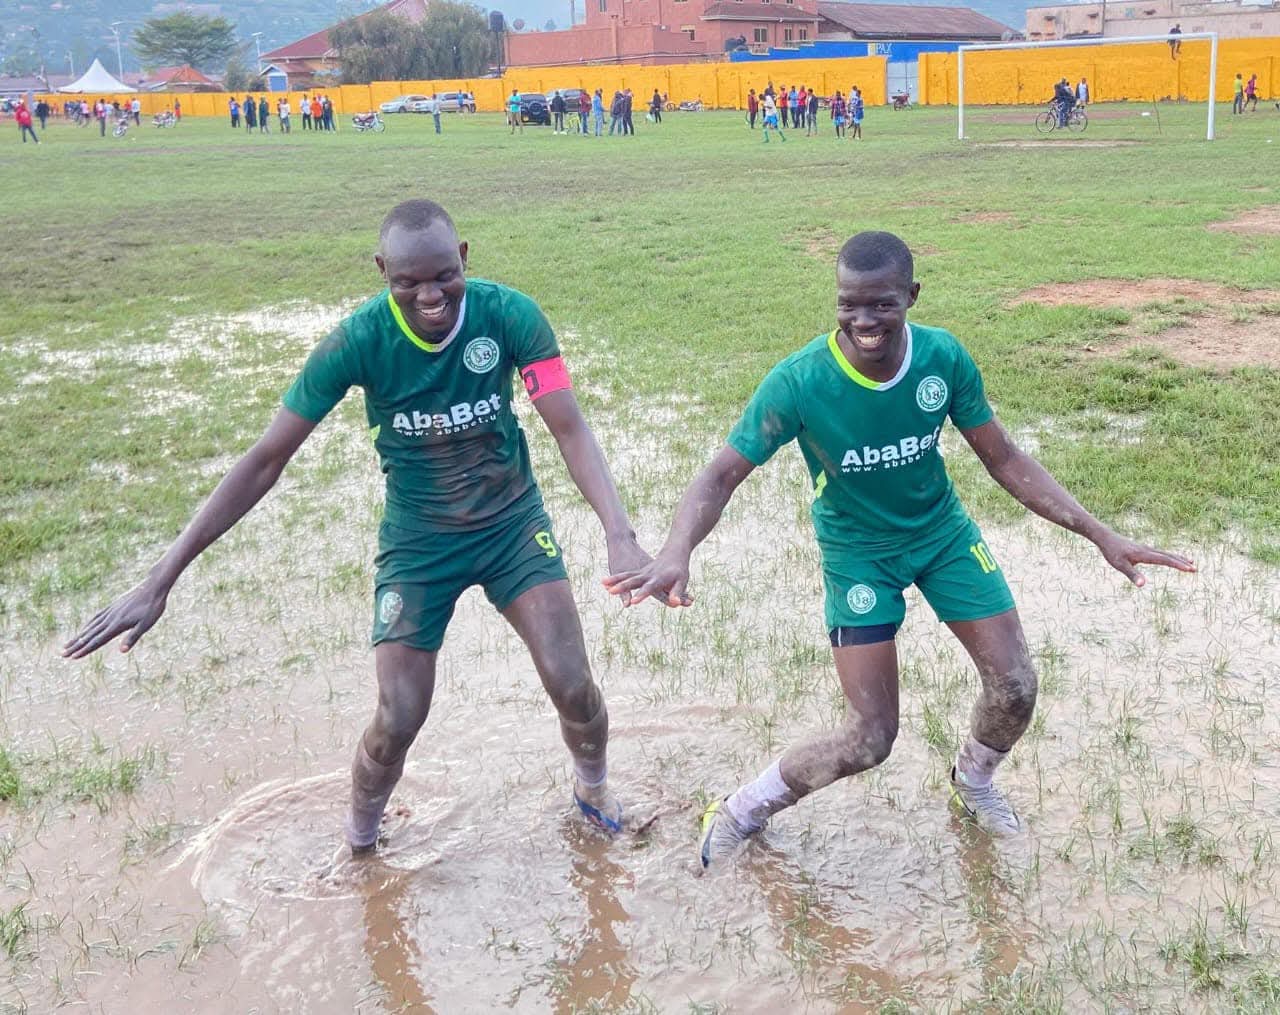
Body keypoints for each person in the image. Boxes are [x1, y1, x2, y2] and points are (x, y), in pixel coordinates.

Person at [63, 198, 650, 852]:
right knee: (399, 713)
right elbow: (264, 460)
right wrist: (159, 578)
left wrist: (618, 530)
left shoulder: (511, 316)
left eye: (442, 276)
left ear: (463, 258)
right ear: (382, 273)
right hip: (418, 543)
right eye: (407, 282)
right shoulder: (357, 341)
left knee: (571, 678)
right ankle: (360, 840)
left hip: (511, 527)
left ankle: (593, 789)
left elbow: (568, 425)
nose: (430, 295)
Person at [603, 231, 1195, 868]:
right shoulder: (800, 383)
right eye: (849, 304)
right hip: (859, 554)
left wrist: (1100, 532)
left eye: (882, 304)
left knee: (1016, 688)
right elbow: (721, 474)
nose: (864, 320)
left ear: (911, 296)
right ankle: (743, 808)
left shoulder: (942, 358)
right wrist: (675, 550)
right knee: (870, 738)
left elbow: (1005, 458)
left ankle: (973, 783)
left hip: (943, 537)